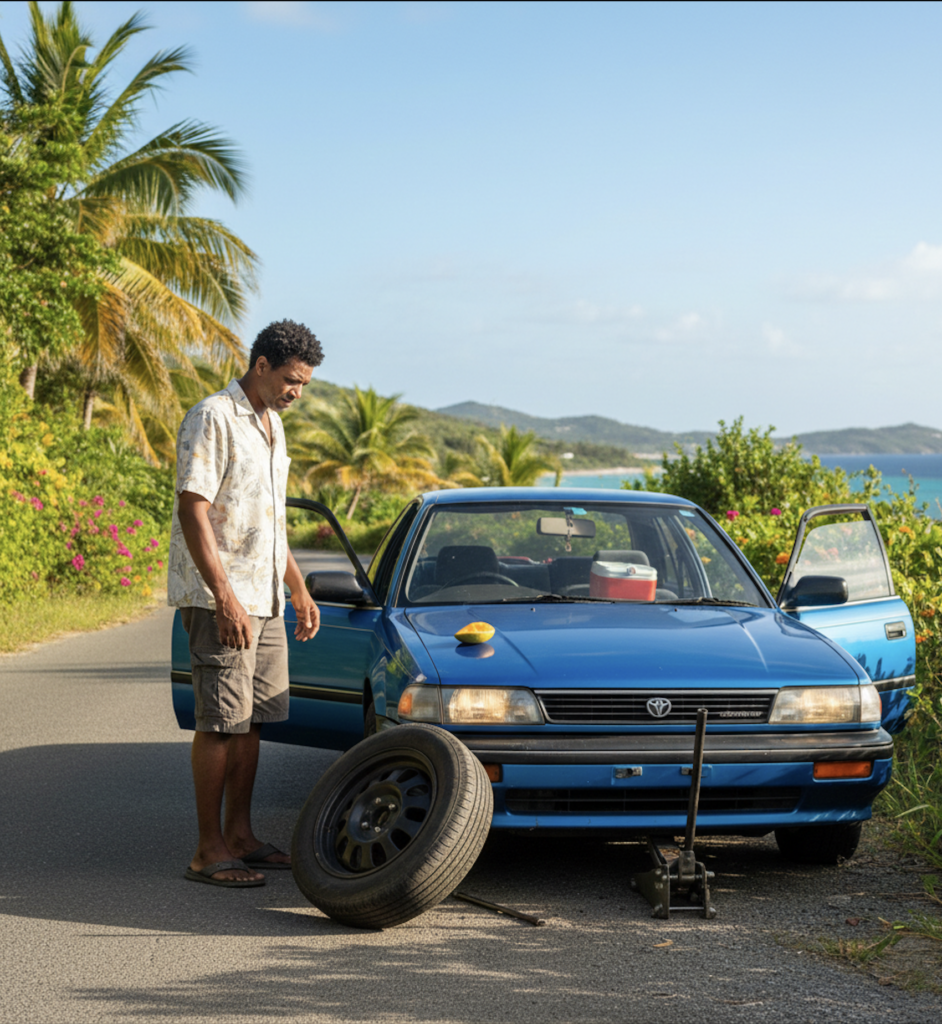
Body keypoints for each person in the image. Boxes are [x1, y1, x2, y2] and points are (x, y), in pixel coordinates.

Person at [169, 319, 323, 887]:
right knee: (219, 722)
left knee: (253, 720)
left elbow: (271, 519)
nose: (296, 393)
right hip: (223, 598)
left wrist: (299, 586)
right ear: (261, 365)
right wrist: (224, 596)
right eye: (290, 380)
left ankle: (241, 836)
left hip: (267, 595)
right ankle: (208, 850)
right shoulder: (212, 416)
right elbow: (194, 508)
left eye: (304, 384)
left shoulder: (274, 426)